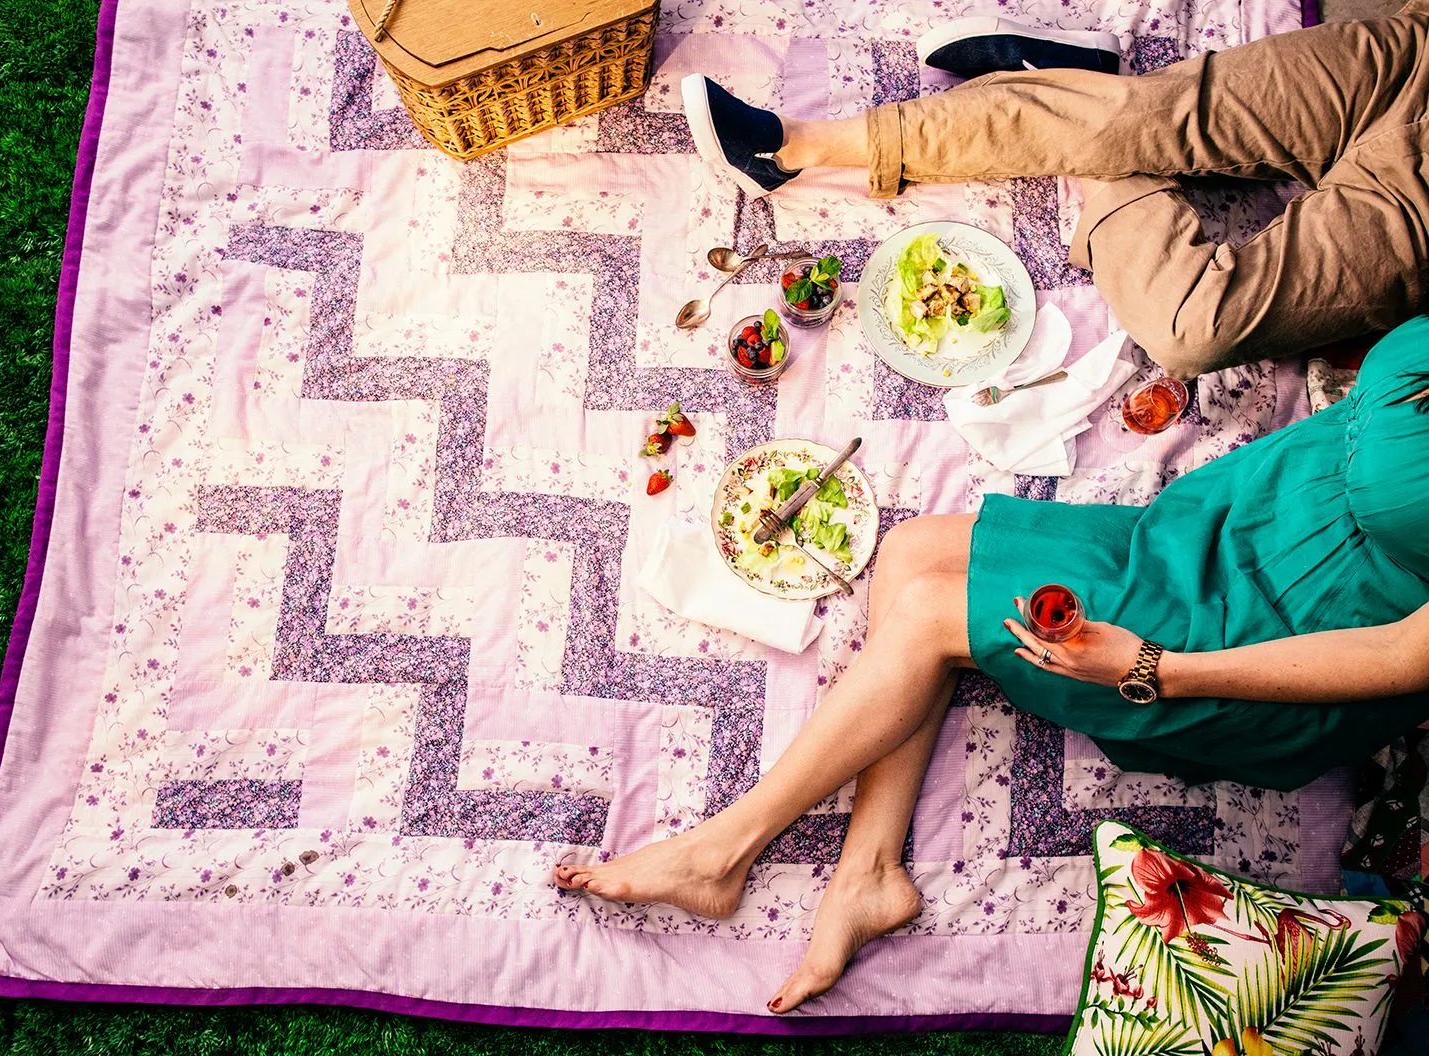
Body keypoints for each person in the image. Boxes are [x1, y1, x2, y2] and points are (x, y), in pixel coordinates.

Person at [554, 317, 1429, 1013]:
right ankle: (869, 875)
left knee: (932, 614)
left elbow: (1399, 655)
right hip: (1214, 532)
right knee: (908, 553)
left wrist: (1155, 667)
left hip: (1266, 639)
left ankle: (721, 851)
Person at [678, 4, 1429, 378]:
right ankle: (790, 145)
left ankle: (1075, 91)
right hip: (1415, 58)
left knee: (1194, 327)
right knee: (1145, 117)